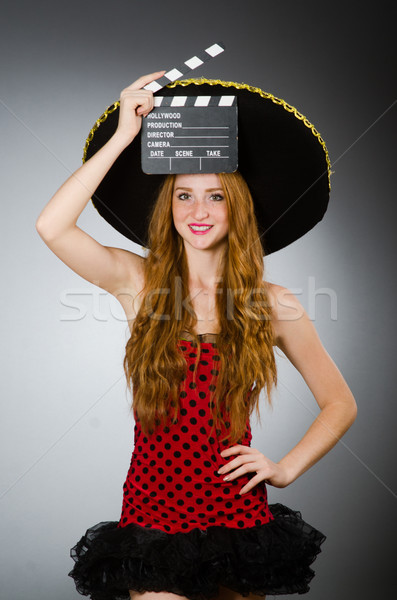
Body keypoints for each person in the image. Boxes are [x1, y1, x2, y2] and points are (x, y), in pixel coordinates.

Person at [36, 71, 357, 600]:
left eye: (215, 196)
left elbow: (340, 402)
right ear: (168, 207)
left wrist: (285, 468)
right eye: (184, 195)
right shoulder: (138, 283)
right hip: (152, 511)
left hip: (235, 513)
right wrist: (122, 136)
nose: (198, 212)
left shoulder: (274, 304)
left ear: (239, 207)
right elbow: (53, 227)